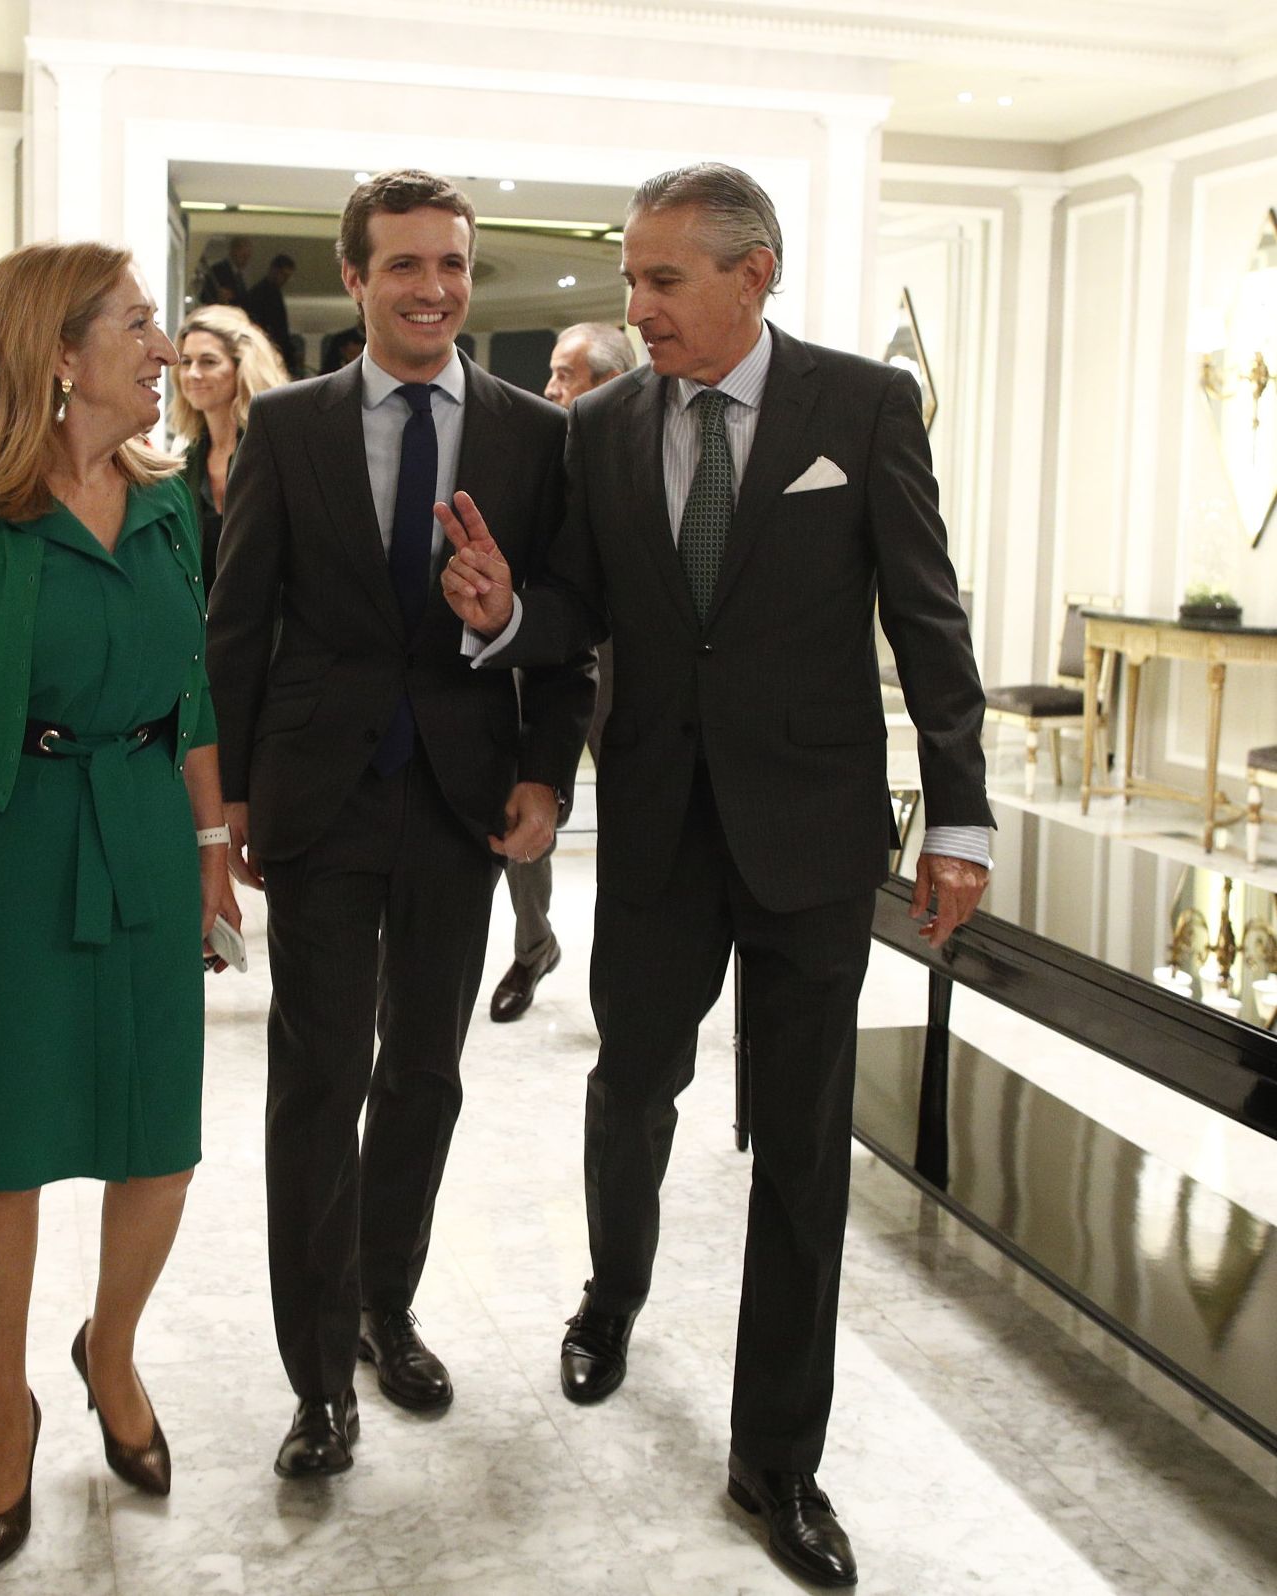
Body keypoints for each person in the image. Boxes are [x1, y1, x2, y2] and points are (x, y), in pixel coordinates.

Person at [439, 162, 992, 1588]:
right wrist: (511, 614)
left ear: (757, 276)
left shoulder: (862, 411)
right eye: (630, 277)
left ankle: (777, 1463)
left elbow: (929, 619)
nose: (638, 306)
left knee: (803, 1151)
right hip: (666, 829)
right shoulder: (604, 426)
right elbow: (586, 612)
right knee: (632, 1086)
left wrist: (962, 817)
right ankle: (611, 1297)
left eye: (665, 279)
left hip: (813, 837)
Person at [207, 170, 594, 1478]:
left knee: (423, 1072)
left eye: (454, 265)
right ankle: (318, 1382)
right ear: (359, 277)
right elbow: (240, 622)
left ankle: (383, 1305)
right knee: (316, 1085)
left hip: (457, 798)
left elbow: (565, 629)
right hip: (320, 796)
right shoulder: (290, 424)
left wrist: (546, 770)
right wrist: (233, 804)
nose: (435, 288)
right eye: (407, 266)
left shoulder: (537, 436)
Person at [0, 241, 237, 1570]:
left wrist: (208, 836)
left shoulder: (166, 497)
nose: (165, 348)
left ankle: (112, 1354)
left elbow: (190, 684)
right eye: (141, 325)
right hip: (1, 851)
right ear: (60, 351)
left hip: (140, 826)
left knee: (160, 1138)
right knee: (8, 1150)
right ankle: (5, 1405)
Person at [490, 321, 638, 1023]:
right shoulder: (538, 448)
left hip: (630, 669)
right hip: (546, 650)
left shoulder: (651, 450)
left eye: (565, 375)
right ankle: (533, 948)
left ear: (610, 385)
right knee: (528, 798)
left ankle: (627, 983)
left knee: (636, 829)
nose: (549, 388)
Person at [166, 304, 289, 594]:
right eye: (186, 362)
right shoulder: (184, 463)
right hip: (204, 627)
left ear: (242, 367)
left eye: (208, 361)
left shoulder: (275, 452)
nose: (193, 373)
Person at [242, 254, 301, 376]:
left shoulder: (268, 292)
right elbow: (275, 328)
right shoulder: (261, 294)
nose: (284, 280)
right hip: (266, 349)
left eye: (287, 277)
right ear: (273, 270)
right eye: (283, 275)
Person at [201, 235, 253, 306]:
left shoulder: (239, 276)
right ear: (233, 251)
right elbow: (204, 296)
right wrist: (218, 296)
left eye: (248, 257)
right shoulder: (218, 270)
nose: (246, 260)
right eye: (243, 256)